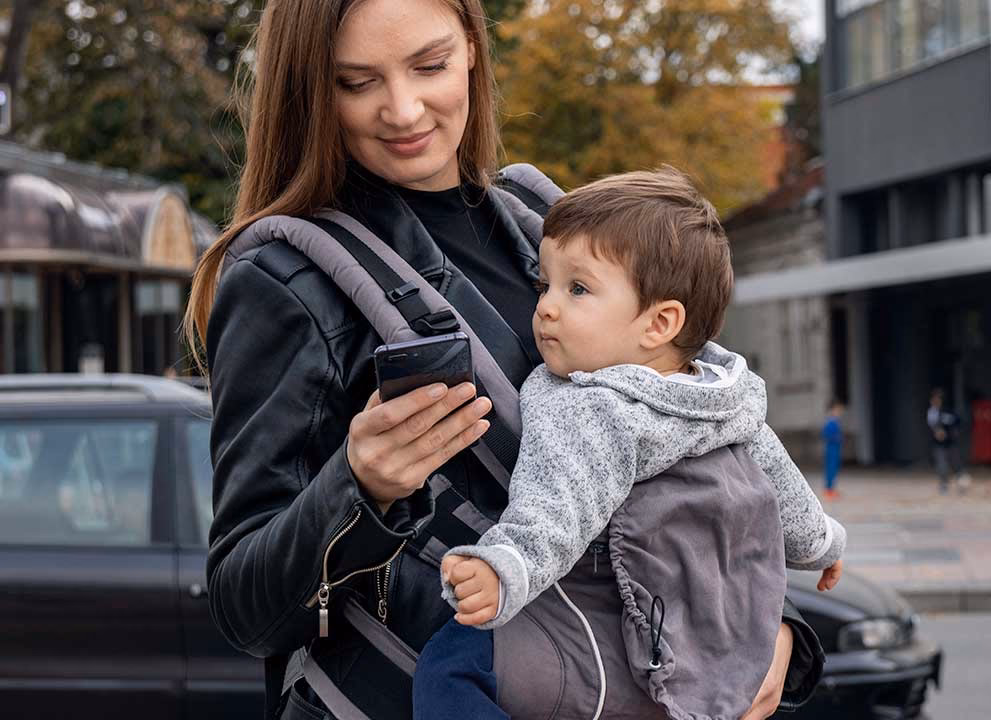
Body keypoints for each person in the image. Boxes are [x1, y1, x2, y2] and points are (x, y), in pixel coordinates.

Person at [184, 1, 825, 717]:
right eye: (355, 82)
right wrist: (359, 486)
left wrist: (773, 629)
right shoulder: (285, 280)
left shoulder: (551, 232)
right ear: (308, 89)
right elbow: (246, 608)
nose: (402, 108)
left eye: (429, 66)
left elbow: (688, 443)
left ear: (472, 52)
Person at [413, 170, 846, 720]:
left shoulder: (588, 404)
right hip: (687, 644)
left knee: (450, 666)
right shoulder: (724, 394)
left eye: (578, 289)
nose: (545, 306)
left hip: (586, 642)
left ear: (659, 322)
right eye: (544, 283)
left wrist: (504, 568)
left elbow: (558, 506)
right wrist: (822, 545)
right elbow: (781, 485)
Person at [927, 388, 971, 494]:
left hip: (951, 443)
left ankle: (962, 486)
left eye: (937, 399)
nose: (935, 401)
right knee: (942, 465)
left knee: (957, 465)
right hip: (938, 445)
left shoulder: (949, 411)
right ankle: (944, 485)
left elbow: (959, 423)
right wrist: (937, 431)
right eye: (933, 399)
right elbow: (933, 427)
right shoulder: (931, 412)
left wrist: (954, 432)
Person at [822, 400, 844, 500]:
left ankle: (832, 488)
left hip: (836, 447)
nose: (839, 412)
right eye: (837, 410)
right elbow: (825, 434)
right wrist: (836, 438)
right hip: (831, 448)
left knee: (834, 469)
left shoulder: (836, 422)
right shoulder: (830, 422)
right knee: (830, 469)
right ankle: (828, 489)